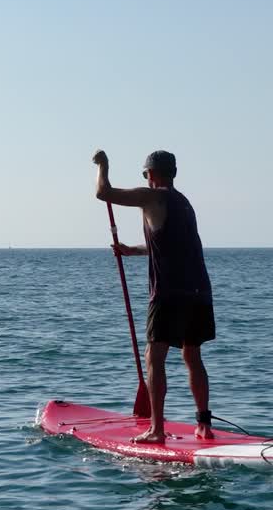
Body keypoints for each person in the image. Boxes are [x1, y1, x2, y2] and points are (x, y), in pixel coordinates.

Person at [92, 148, 215, 444]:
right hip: (199, 291)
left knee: (154, 357)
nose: (146, 179)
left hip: (169, 293)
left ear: (154, 174)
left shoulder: (152, 197)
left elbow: (103, 192)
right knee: (191, 354)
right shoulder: (184, 203)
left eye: (146, 174)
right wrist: (132, 250)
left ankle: (157, 430)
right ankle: (203, 425)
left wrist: (103, 165)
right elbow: (172, 245)